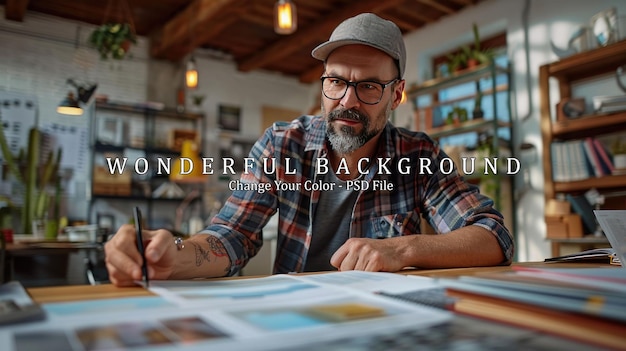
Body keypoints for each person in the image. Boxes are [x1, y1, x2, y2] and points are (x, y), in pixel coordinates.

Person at [105, 13, 514, 286]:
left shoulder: (417, 155)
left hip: (385, 324)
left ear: (397, 94)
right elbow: (230, 237)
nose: (347, 102)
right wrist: (172, 255)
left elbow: (493, 237)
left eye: (369, 86)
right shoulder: (283, 145)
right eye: (336, 82)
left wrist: (401, 249)